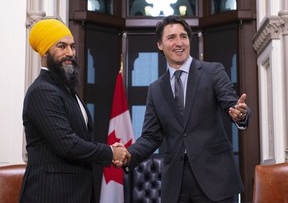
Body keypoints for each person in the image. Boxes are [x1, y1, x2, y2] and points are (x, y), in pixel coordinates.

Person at [124, 16, 251, 203]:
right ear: (160, 44)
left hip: (215, 179)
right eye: (171, 37)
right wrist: (128, 155)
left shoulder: (213, 72)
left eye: (183, 36)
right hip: (176, 184)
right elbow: (151, 136)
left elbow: (233, 105)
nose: (179, 43)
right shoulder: (156, 89)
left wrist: (240, 115)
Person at [19, 18, 130, 203]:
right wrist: (110, 152)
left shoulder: (66, 89)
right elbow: (68, 145)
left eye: (72, 46)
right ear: (45, 52)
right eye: (61, 46)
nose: (69, 53)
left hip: (77, 192)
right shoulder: (42, 91)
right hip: (51, 194)